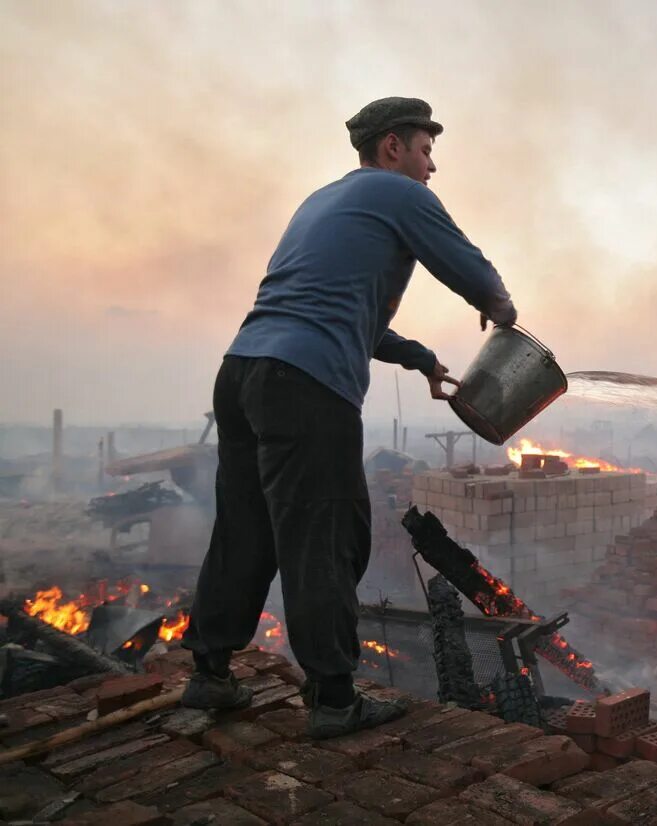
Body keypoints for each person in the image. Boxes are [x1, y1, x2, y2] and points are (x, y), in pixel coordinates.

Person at [180, 97, 517, 739]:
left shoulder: (322, 202)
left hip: (245, 371)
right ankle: (334, 699)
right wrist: (501, 308)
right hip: (308, 387)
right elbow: (464, 261)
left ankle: (210, 673)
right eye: (424, 150)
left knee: (245, 527)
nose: (431, 167)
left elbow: (335, 308)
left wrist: (417, 357)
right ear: (392, 147)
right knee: (325, 538)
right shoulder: (399, 194)